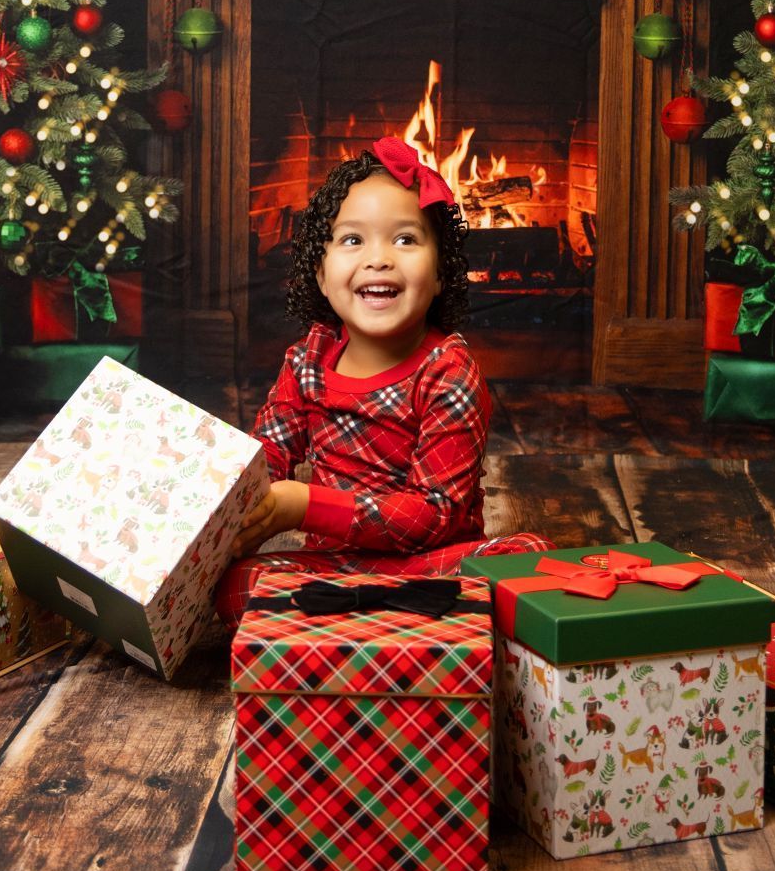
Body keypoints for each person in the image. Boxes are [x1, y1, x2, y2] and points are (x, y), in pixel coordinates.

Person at [215, 134, 548, 624]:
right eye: (353, 240)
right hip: (332, 569)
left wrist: (303, 506)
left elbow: (434, 515)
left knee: (530, 559)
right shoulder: (308, 360)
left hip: (429, 564)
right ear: (321, 275)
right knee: (233, 588)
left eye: (405, 239)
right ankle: (387, 617)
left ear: (441, 275)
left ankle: (342, 622)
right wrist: (237, 510)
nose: (379, 258)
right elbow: (263, 461)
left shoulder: (449, 373)